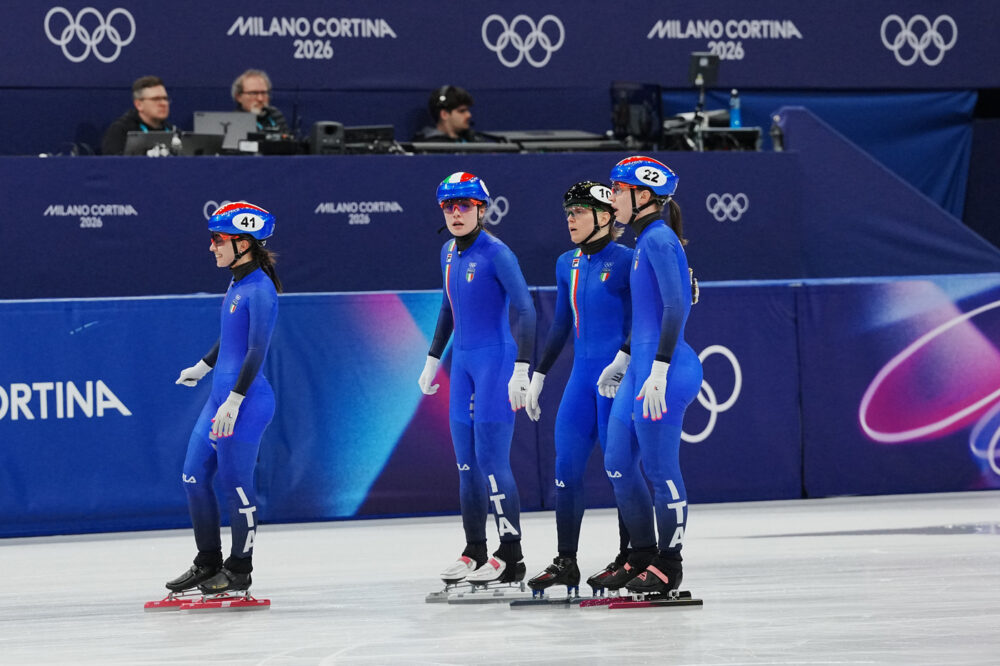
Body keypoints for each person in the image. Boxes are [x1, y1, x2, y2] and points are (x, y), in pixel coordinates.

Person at [418, 172, 536, 587]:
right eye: (449, 206)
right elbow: (449, 309)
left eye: (464, 205)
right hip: (463, 365)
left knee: (491, 462)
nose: (455, 213)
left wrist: (522, 368)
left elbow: (526, 309)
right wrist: (433, 358)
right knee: (466, 466)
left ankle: (511, 554)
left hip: (495, 364)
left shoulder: (497, 253)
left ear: (482, 210)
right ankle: (475, 550)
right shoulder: (447, 252)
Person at [523, 182, 635, 596]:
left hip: (615, 380)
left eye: (578, 212)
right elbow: (560, 324)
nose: (569, 220)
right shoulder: (564, 263)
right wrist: (540, 374)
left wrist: (625, 363)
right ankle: (566, 562)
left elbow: (645, 318)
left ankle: (632, 557)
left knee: (620, 471)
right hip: (579, 380)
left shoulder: (627, 261)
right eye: (567, 213)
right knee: (566, 471)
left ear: (604, 217)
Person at [165, 202, 282, 598]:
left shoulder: (261, 290)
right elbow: (231, 339)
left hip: (246, 402)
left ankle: (240, 570)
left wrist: (234, 400)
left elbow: (255, 351)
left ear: (244, 244)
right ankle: (208, 562)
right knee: (193, 477)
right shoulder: (236, 282)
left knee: (235, 484)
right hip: (220, 396)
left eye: (218, 240)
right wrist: (202, 366)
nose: (211, 247)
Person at [598, 156, 703, 597]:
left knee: (660, 469)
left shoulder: (659, 239)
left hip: (666, 370)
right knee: (618, 463)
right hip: (641, 367)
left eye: (618, 190)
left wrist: (657, 369)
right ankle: (640, 553)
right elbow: (646, 315)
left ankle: (670, 563)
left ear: (642, 196)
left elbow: (677, 308)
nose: (612, 197)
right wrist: (623, 360)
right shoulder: (644, 241)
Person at [101, 75, 175, 155]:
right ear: (139, 104)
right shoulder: (120, 131)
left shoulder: (172, 131)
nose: (163, 103)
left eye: (165, 98)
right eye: (156, 99)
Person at [412, 85, 483, 143]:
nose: (469, 115)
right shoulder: (427, 147)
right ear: (444, 114)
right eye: (462, 111)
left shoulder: (475, 141)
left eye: (467, 110)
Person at [232, 69, 289, 134]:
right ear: (238, 97)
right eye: (253, 93)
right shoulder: (234, 123)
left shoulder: (276, 115)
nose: (260, 99)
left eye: (264, 93)